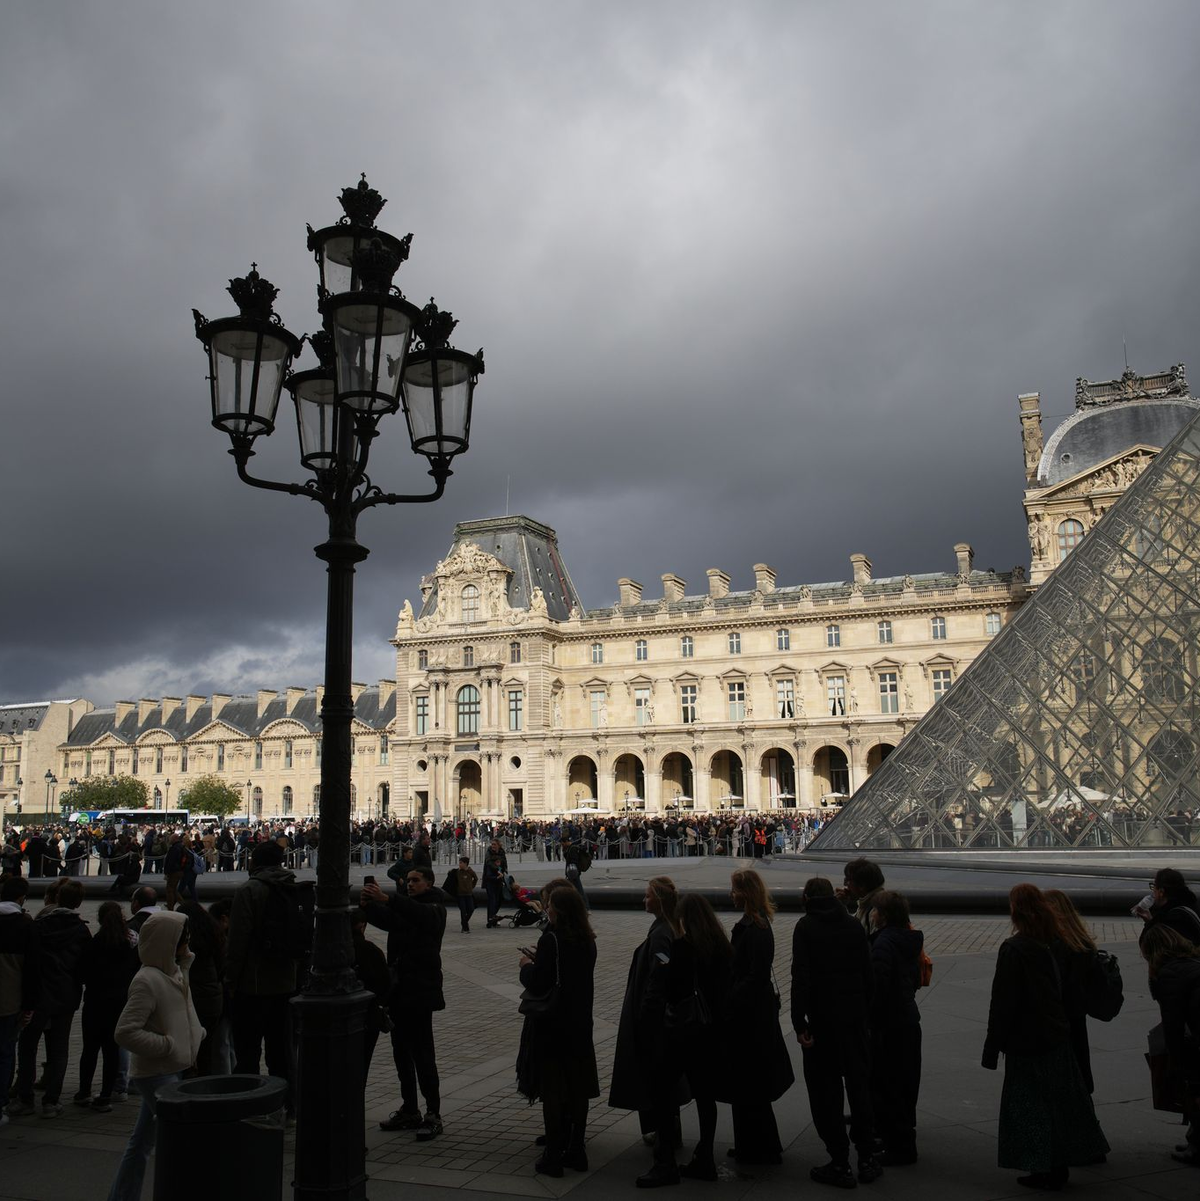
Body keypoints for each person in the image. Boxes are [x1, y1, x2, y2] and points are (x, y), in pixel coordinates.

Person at [982, 884, 1108, 1190]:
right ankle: (1062, 1160)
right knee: (1058, 1101)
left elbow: (1003, 1001)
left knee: (1030, 1106)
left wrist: (992, 1047)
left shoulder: (1015, 948)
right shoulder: (1053, 942)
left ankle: (1044, 1168)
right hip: (1056, 1034)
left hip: (1027, 1039)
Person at [105, 911, 204, 1201]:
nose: (188, 941)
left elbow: (181, 1012)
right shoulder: (147, 980)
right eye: (183, 937)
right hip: (157, 1072)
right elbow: (125, 1032)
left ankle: (122, 1196)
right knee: (180, 1138)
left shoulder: (174, 970)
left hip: (171, 1066)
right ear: (170, 942)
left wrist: (196, 1033)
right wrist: (168, 1045)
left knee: (141, 1142)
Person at [792, 876, 878, 1189]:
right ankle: (867, 1158)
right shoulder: (854, 926)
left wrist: (799, 1022)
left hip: (823, 1021)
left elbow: (800, 977)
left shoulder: (806, 927)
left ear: (806, 897)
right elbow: (868, 976)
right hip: (854, 1019)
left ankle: (839, 1161)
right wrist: (864, 1012)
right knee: (859, 1088)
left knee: (825, 1093)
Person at [517, 885, 598, 1177]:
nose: (546, 909)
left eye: (550, 905)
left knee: (553, 1089)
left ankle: (553, 1154)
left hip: (553, 1023)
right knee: (578, 1087)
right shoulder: (588, 939)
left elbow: (538, 982)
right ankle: (576, 1148)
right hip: (580, 1022)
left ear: (559, 910)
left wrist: (527, 965)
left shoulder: (552, 938)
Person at [362, 864, 447, 1140]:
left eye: (416, 880)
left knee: (423, 1054)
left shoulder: (435, 908)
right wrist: (368, 906)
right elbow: (389, 920)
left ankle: (433, 1112)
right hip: (398, 991)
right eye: (408, 880)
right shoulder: (406, 906)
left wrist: (389, 899)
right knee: (401, 1053)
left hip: (420, 992)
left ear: (429, 883)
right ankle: (410, 1108)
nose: (410, 884)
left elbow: (418, 915)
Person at [609, 877, 684, 1166]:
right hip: (657, 1015)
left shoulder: (662, 933)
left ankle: (665, 1139)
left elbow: (661, 970)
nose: (644, 900)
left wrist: (648, 1011)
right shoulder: (667, 928)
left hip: (653, 1019)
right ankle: (667, 1132)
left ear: (660, 901)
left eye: (648, 896)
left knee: (657, 1081)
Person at [662, 893, 734, 1183]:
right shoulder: (721, 945)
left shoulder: (683, 947)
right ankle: (705, 1154)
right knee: (706, 1097)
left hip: (688, 1032)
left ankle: (665, 1155)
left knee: (666, 1089)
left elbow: (672, 990)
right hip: (713, 1030)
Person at [224, 841, 303, 1095]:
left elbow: (237, 941)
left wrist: (230, 980)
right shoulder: (292, 886)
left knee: (248, 1051)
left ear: (254, 862)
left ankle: (250, 1102)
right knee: (281, 1051)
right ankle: (288, 1104)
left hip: (253, 983)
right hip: (286, 981)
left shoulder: (250, 890)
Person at [727, 869, 793, 1166]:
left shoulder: (754, 928)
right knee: (750, 1083)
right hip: (754, 1012)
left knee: (749, 1082)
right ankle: (753, 1143)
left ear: (746, 893)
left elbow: (753, 976)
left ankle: (759, 1146)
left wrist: (731, 997)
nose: (731, 895)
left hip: (748, 1016)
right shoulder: (757, 925)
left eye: (735, 890)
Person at [11, 878, 90, 1119]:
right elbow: (85, 967)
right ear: (78, 903)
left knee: (27, 1046)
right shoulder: (81, 931)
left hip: (38, 995)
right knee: (59, 1049)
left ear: (56, 899)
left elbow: (30, 962)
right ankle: (51, 1101)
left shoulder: (38, 926)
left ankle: (25, 1097)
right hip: (66, 997)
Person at [867, 889, 923, 1165]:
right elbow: (912, 978)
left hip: (889, 1024)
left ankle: (899, 1148)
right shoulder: (909, 940)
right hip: (908, 1018)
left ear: (884, 916)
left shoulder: (884, 944)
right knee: (905, 1084)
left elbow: (877, 988)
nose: (872, 914)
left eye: (875, 910)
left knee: (889, 1085)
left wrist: (870, 1021)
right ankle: (903, 1141)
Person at [1141, 924, 1200, 1165]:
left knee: (1195, 1089)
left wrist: (1176, 1063)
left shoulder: (1170, 974)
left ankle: (1197, 1147)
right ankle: (1195, 1140)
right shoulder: (1190, 963)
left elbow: (1173, 1025)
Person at [74, 901, 139, 1110]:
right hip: (119, 1003)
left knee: (90, 1049)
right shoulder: (129, 947)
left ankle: (83, 1091)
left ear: (100, 919)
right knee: (111, 1051)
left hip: (94, 1002)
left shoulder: (94, 944)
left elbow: (81, 972)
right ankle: (105, 1095)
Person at [1043, 889, 1099, 1093]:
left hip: (1057, 1022)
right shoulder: (1083, 942)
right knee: (1079, 1074)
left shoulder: (1054, 945)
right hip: (1076, 1019)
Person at [0, 876, 38, 1126]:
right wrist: (29, 1005)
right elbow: (33, 970)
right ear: (22, 897)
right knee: (4, 1053)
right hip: (9, 1001)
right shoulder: (25, 925)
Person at [177, 901, 225, 1076]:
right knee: (207, 1048)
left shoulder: (185, 944)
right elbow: (221, 966)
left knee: (188, 1049)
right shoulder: (214, 934)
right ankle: (207, 1083)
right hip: (212, 1000)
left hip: (193, 999)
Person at [350, 907, 392, 1086]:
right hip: (368, 1015)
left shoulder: (330, 949)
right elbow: (384, 983)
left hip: (341, 1017)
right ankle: (355, 1105)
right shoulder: (370, 950)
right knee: (361, 1063)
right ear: (362, 926)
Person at [1137, 869, 1200, 946]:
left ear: (1161, 892)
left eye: (1154, 887)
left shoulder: (1167, 917)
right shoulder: (1191, 905)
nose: (1153, 892)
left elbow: (1149, 946)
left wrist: (1150, 923)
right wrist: (1150, 920)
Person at [838, 858, 886, 935]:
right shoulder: (868, 903)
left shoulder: (876, 912)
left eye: (848, 880)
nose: (845, 884)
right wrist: (841, 905)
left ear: (861, 886)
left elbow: (853, 932)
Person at [452, 856, 478, 933]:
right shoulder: (457, 872)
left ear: (465, 864)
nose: (459, 864)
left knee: (471, 909)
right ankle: (465, 927)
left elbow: (475, 878)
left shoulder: (470, 871)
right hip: (460, 894)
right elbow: (451, 876)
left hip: (469, 894)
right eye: (459, 863)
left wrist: (471, 887)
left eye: (461, 863)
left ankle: (464, 922)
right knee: (463, 910)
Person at [482, 847, 506, 929]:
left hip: (498, 885)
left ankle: (493, 917)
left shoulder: (499, 865)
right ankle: (491, 918)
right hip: (491, 885)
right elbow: (488, 877)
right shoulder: (490, 866)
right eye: (498, 862)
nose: (499, 864)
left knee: (497, 901)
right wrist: (497, 877)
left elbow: (503, 868)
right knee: (492, 901)